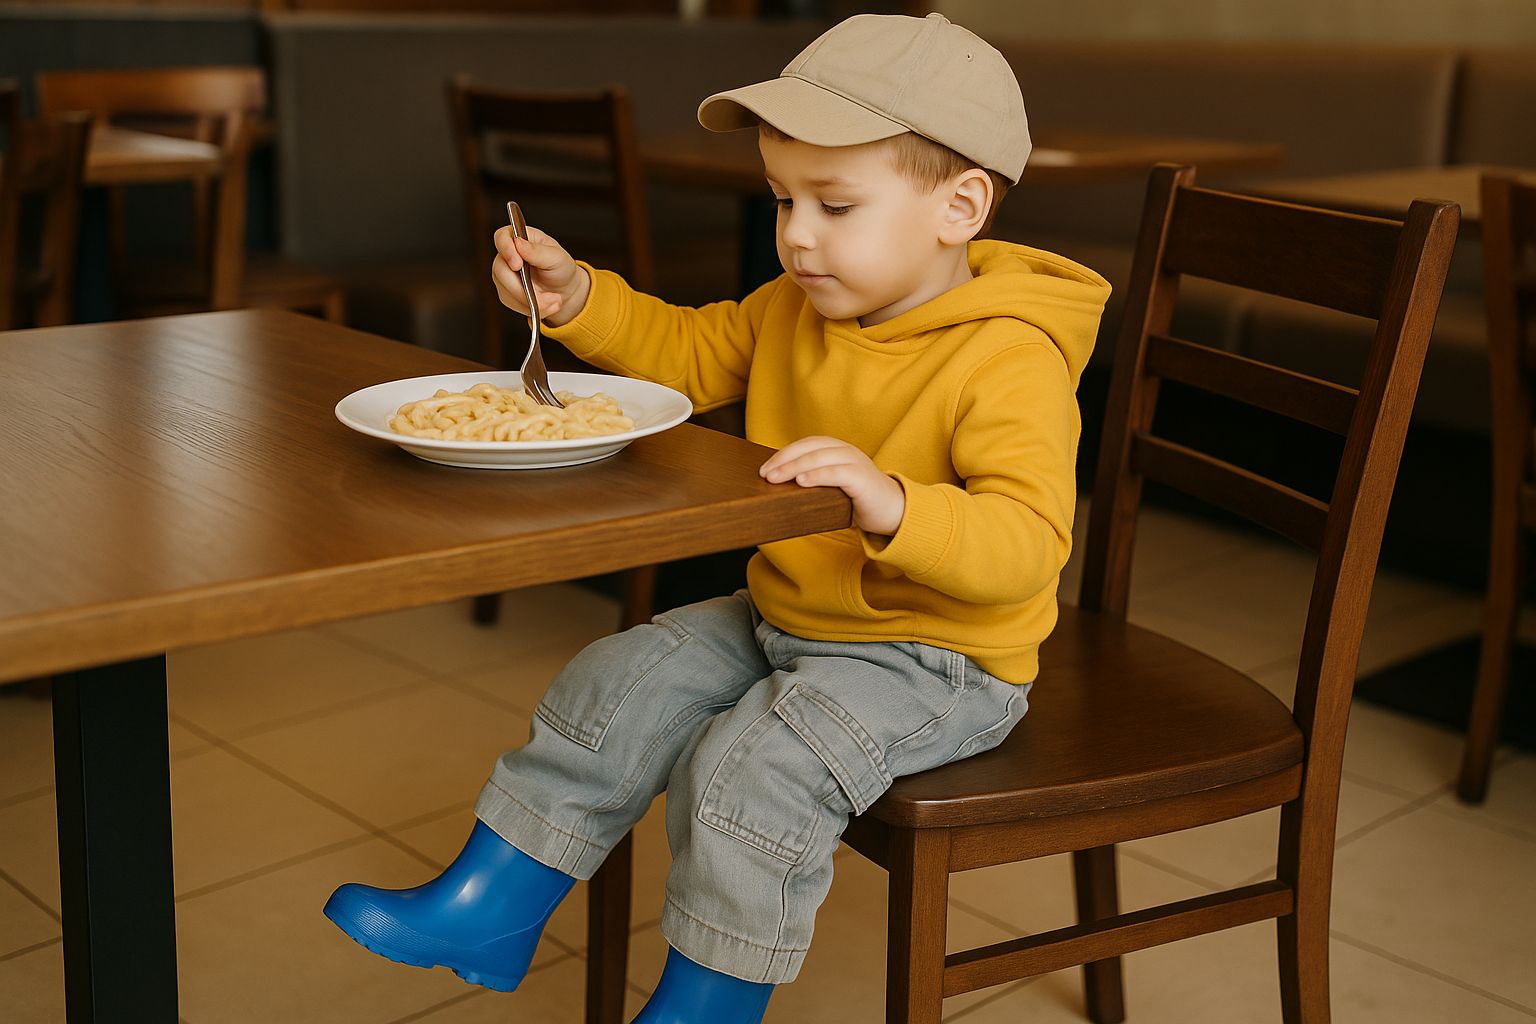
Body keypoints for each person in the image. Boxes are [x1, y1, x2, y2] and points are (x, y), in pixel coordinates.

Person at [324, 13, 1110, 1022]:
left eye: (834, 203)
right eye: (783, 199)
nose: (796, 235)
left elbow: (1027, 547)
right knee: (616, 677)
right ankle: (491, 907)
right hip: (793, 616)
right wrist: (576, 301)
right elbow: (692, 355)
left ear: (958, 207)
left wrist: (893, 501)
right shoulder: (798, 302)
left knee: (752, 769)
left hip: (939, 658)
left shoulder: (1009, 358)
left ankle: (708, 1004)